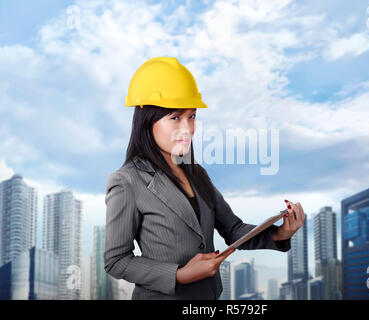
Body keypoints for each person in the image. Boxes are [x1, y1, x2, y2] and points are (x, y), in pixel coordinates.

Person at [104, 57, 305, 300]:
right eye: (175, 117)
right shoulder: (126, 181)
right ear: (147, 120)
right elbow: (116, 261)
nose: (188, 128)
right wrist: (179, 275)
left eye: (192, 116)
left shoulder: (196, 172)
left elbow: (233, 229)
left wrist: (279, 233)